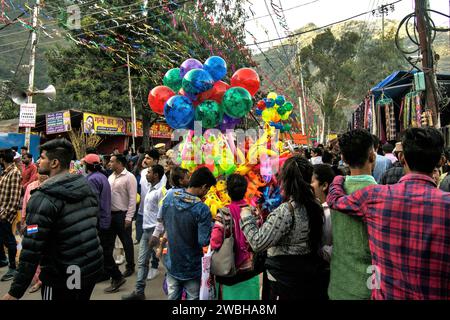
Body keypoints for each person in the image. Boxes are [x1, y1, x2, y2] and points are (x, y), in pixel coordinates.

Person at [327, 127, 450, 300]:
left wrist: (338, 179)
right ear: (440, 160)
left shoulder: (375, 197)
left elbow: (335, 200)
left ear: (401, 158)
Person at [2, 139, 104, 300]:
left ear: (54, 162)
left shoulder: (43, 198)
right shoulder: (85, 186)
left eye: (42, 157)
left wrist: (15, 291)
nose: (38, 161)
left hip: (62, 274)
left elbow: (31, 250)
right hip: (87, 268)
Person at [240, 156, 327, 300]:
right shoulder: (315, 205)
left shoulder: (287, 211)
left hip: (283, 279)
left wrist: (246, 217)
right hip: (306, 276)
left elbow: (257, 242)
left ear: (286, 180)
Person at [327, 129, 376, 300]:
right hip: (370, 288)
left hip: (338, 284)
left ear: (344, 159)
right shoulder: (382, 196)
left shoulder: (335, 192)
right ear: (372, 156)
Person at [160, 167, 216, 300]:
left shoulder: (169, 196)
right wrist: (213, 225)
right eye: (207, 190)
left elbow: (164, 221)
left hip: (172, 262)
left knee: (172, 297)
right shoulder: (202, 209)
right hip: (191, 267)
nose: (206, 193)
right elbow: (203, 241)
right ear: (203, 187)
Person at [210, 174, 260, 300]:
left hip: (230, 270)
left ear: (228, 192)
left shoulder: (224, 213)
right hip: (250, 269)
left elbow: (215, 242)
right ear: (245, 190)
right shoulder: (254, 211)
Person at [122, 164, 165, 300]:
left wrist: (156, 234)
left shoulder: (161, 192)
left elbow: (162, 215)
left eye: (149, 172)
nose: (146, 174)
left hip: (156, 232)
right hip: (147, 230)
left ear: (156, 175)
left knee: (167, 262)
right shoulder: (150, 189)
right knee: (142, 262)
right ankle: (139, 292)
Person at [85, 153, 126, 291]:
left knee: (103, 252)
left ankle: (117, 276)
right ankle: (104, 273)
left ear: (87, 165)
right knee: (103, 250)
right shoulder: (102, 176)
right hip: (105, 219)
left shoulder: (92, 179)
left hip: (99, 220)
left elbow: (93, 203)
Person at [108, 154, 137, 280]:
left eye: (111, 161)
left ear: (119, 163)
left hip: (122, 214)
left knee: (126, 242)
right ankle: (110, 268)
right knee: (109, 243)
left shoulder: (129, 177)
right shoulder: (111, 176)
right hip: (110, 215)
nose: (109, 163)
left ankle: (130, 266)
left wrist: (129, 217)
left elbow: (132, 199)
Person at [20, 172, 48, 294]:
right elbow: (25, 205)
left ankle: (44, 278)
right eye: (40, 173)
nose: (42, 176)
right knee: (33, 249)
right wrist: (23, 221)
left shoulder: (51, 186)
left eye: (44, 174)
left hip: (46, 225)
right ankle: (37, 279)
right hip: (32, 225)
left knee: (45, 251)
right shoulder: (31, 186)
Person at [0, 149, 22, 281]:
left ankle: (13, 268)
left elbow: (14, 199)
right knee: (4, 239)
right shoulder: (6, 172)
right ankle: (4, 260)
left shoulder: (14, 173)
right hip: (2, 213)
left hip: (6, 215)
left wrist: (3, 215)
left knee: (10, 241)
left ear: (2, 159)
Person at [135, 149, 163, 244]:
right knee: (141, 239)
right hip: (141, 211)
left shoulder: (162, 177)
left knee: (154, 244)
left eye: (148, 158)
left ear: (155, 161)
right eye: (145, 157)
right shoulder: (143, 173)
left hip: (153, 216)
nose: (145, 160)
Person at [311, 164, 336, 263]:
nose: (308, 185)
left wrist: (319, 253)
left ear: (324, 185)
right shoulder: (314, 206)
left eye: (312, 182)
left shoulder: (332, 211)